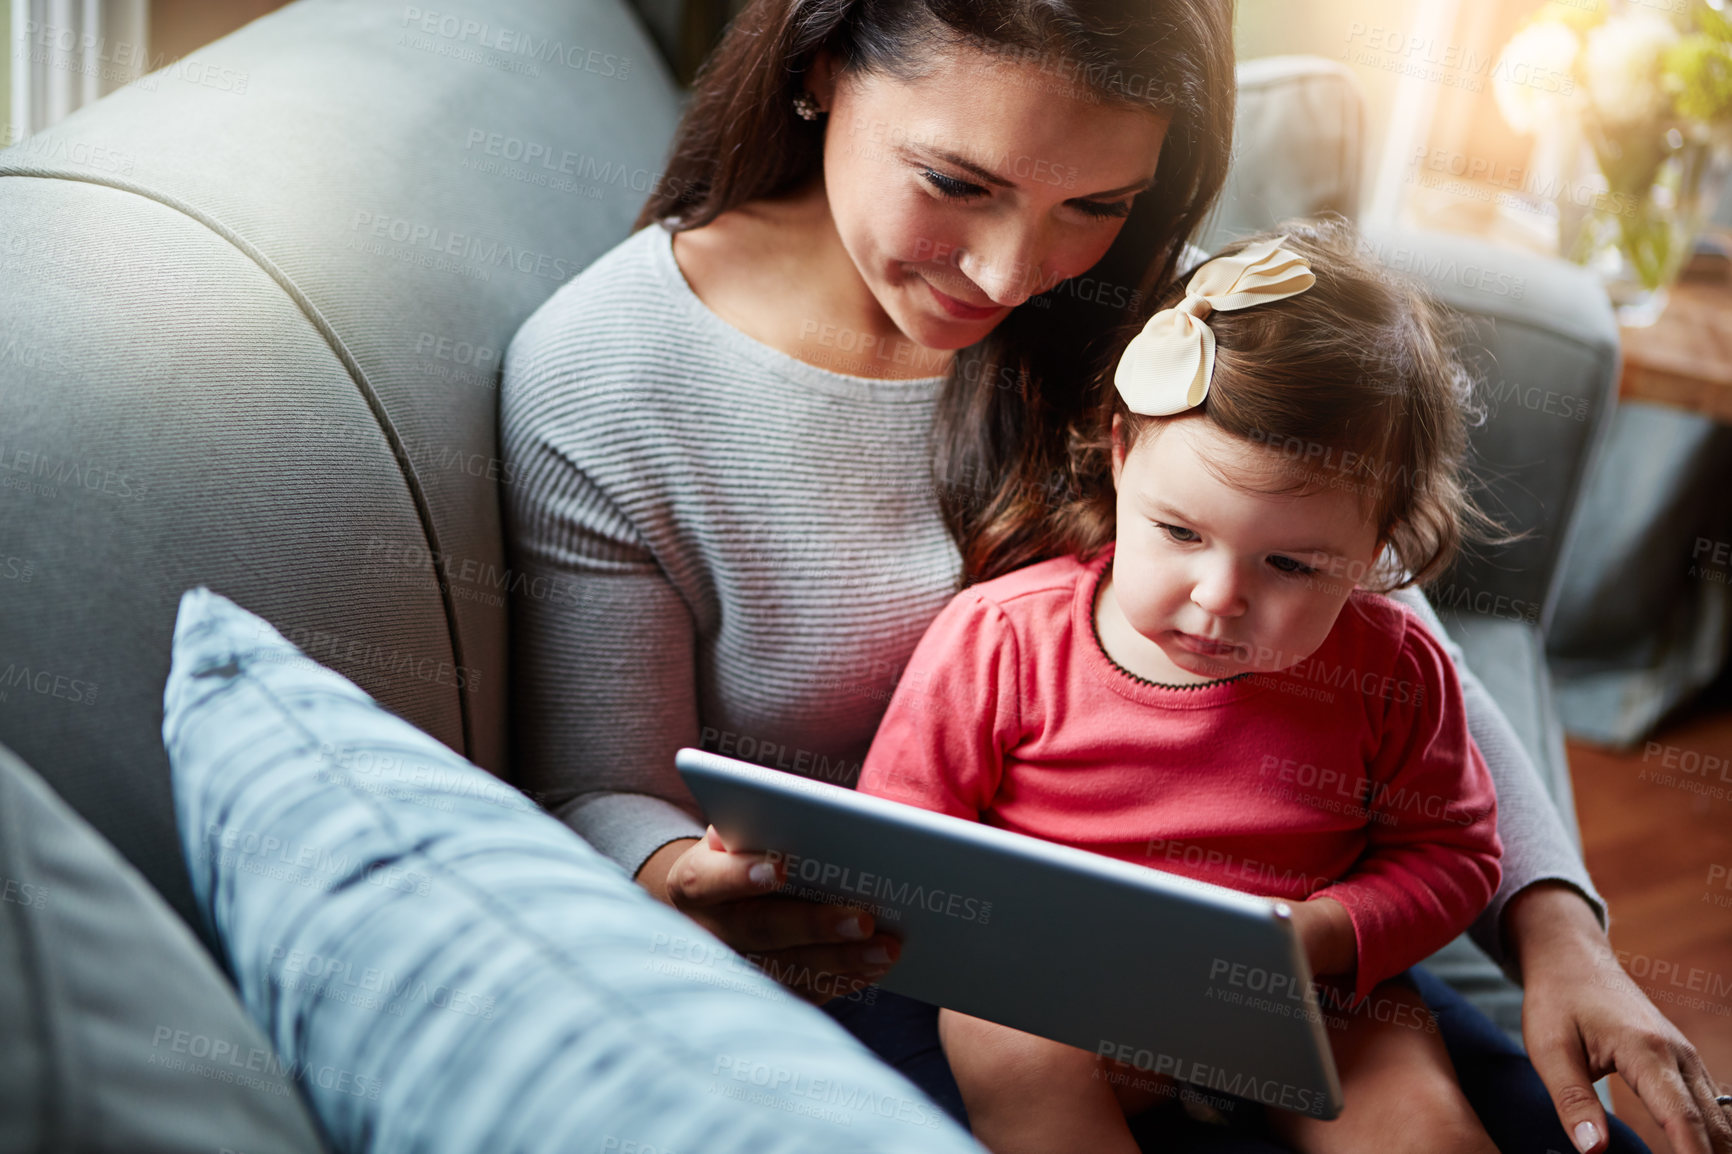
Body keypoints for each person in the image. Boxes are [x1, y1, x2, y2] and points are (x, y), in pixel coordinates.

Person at [498, 0, 1730, 1149]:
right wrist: (683, 878)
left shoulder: (1165, 313)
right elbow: (603, 782)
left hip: (1287, 959)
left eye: (1096, 201)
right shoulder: (608, 376)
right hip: (923, 969)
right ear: (819, 67)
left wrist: (1561, 928)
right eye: (954, 182)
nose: (1009, 273)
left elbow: (1388, 632)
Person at [854, 221, 1506, 1153]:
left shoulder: (1392, 671)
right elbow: (898, 842)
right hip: (1054, 987)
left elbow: (1454, 856)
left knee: (1422, 1123)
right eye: (1180, 533)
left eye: (1292, 564)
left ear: (1380, 545)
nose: (1221, 598)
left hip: (1301, 992)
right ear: (1121, 454)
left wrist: (1326, 933)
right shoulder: (1005, 640)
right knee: (1003, 1040)